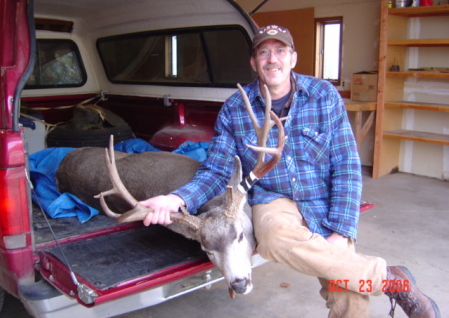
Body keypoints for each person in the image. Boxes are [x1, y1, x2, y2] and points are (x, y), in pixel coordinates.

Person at [140, 25, 440, 318]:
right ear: (253, 62)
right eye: (264, 52)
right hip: (273, 198)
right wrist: (177, 198)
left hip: (322, 197)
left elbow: (347, 166)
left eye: (280, 51)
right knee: (274, 240)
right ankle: (389, 279)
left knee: (349, 293)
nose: (273, 59)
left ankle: (392, 280)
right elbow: (216, 171)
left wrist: (341, 231)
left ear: (293, 58)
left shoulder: (324, 95)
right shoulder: (234, 109)